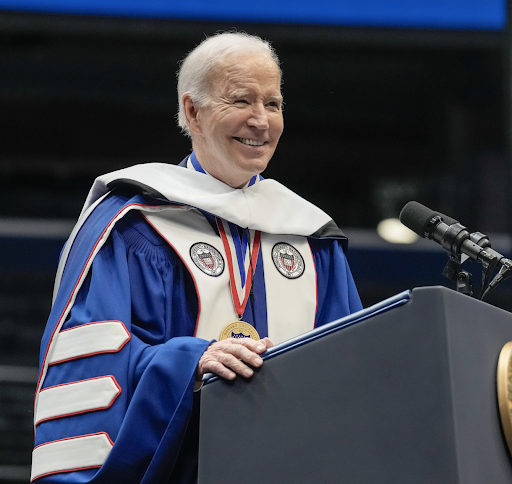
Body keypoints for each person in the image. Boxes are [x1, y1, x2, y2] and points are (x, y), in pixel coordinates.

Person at [31, 32, 362, 483]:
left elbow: (355, 371)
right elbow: (94, 358)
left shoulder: (311, 238)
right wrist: (189, 363)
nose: (261, 121)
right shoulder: (132, 225)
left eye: (274, 104)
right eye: (242, 100)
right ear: (193, 111)